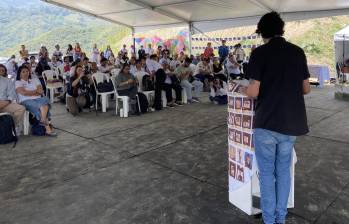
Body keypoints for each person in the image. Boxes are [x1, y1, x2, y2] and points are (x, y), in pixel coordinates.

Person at [242, 12, 310, 224]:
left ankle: (269, 220)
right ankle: (280, 218)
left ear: (262, 32)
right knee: (283, 172)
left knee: (267, 175)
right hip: (291, 124)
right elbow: (306, 89)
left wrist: (244, 89)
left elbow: (253, 92)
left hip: (267, 123)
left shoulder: (259, 53)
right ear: (282, 29)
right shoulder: (298, 52)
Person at [15, 66, 56, 136]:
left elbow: (41, 91)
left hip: (38, 99)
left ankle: (43, 121)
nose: (26, 73)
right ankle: (47, 128)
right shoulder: (18, 82)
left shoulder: (33, 80)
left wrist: (29, 92)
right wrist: (35, 91)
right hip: (26, 101)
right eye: (23, 72)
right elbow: (23, 93)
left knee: (45, 100)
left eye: (27, 71)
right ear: (19, 73)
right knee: (43, 106)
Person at [0, 68, 26, 133]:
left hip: (5, 103)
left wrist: (7, 102)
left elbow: (11, 95)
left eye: (2, 70)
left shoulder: (7, 81)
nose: (0, 72)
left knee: (21, 108)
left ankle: (11, 126)